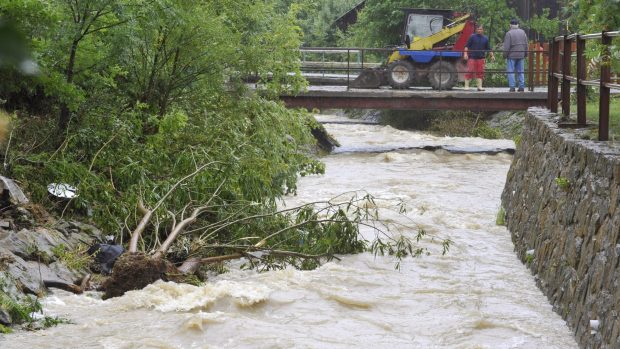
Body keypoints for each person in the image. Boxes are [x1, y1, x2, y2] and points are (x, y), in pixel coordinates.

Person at [463, 25, 494, 91]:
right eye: (478, 29)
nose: (479, 30)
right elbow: (466, 46)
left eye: (480, 29)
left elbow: (489, 48)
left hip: (481, 58)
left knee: (480, 72)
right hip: (472, 57)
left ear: (483, 30)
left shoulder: (485, 38)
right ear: (476, 30)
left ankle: (479, 87)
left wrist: (492, 56)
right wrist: (465, 54)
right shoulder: (472, 37)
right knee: (470, 70)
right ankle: (466, 86)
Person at [503, 19, 528, 92]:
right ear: (518, 25)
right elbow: (526, 44)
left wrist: (504, 55)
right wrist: (526, 53)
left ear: (510, 25)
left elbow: (507, 47)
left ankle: (512, 87)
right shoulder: (523, 32)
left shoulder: (509, 33)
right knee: (521, 71)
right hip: (521, 54)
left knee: (511, 71)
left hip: (511, 55)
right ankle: (521, 87)